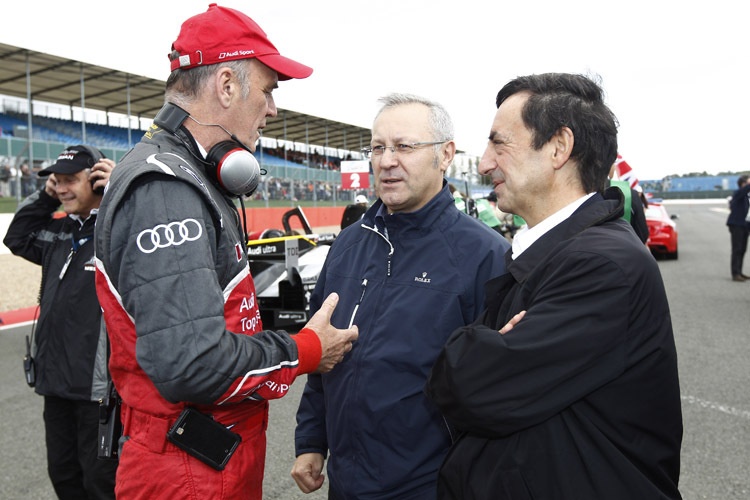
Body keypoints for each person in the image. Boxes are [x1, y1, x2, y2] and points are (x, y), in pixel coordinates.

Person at [93, 5, 357, 500]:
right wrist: (304, 350)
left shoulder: (190, 175)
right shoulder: (167, 189)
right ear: (228, 84)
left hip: (207, 458)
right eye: (269, 88)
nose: (273, 107)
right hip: (187, 470)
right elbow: (191, 364)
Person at [425, 73, 683, 499]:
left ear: (559, 148)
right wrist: (484, 345)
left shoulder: (602, 265)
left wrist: (466, 349)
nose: (486, 162)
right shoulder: (558, 252)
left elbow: (470, 389)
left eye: (499, 143)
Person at [292, 93, 509, 499]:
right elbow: (323, 355)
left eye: (404, 147)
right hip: (345, 484)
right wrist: (310, 440)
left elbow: (499, 392)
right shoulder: (348, 246)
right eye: (378, 147)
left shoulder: (486, 255)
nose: (387, 160)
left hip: (433, 486)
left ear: (445, 156)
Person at [3, 145, 118, 499]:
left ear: (97, 182)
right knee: (64, 476)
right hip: (54, 383)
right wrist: (45, 196)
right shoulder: (58, 233)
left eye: (70, 180)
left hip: (98, 391)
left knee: (101, 483)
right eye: (57, 180)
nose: (62, 188)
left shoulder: (118, 230)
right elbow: (16, 237)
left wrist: (119, 190)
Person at [727, 174, 750, 281]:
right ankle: (735, 273)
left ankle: (739, 272)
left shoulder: (746, 196)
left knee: (742, 249)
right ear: (743, 184)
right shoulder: (738, 193)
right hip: (737, 225)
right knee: (737, 249)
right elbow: (745, 189)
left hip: (745, 225)